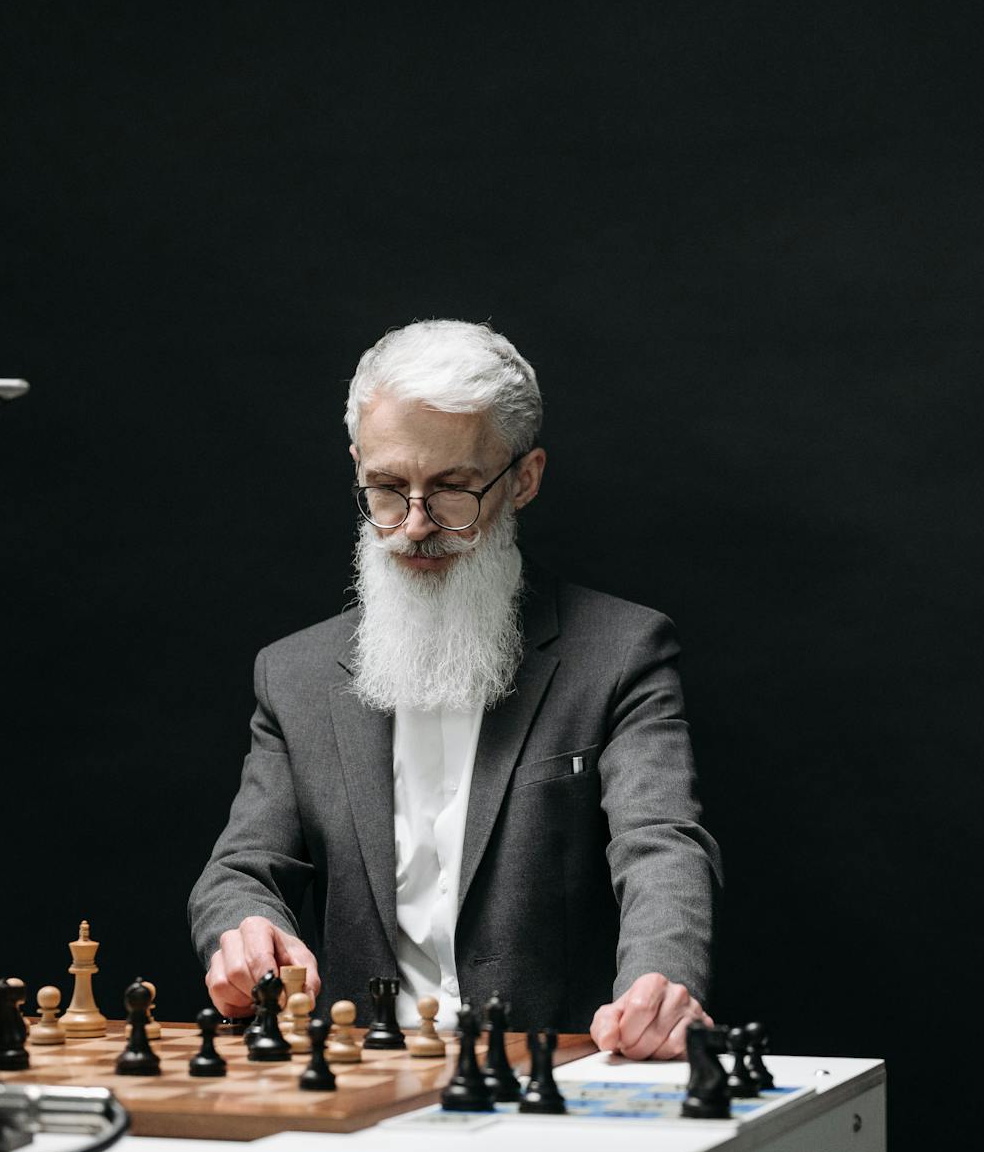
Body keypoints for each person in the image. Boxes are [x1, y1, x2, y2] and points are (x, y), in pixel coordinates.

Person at [188, 319, 721, 1060]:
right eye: (385, 488)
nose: (412, 526)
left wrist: (661, 980)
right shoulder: (294, 674)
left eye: (452, 490)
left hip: (553, 1082)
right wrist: (243, 927)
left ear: (524, 478)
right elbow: (239, 870)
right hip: (354, 1083)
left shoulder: (622, 652)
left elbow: (661, 843)